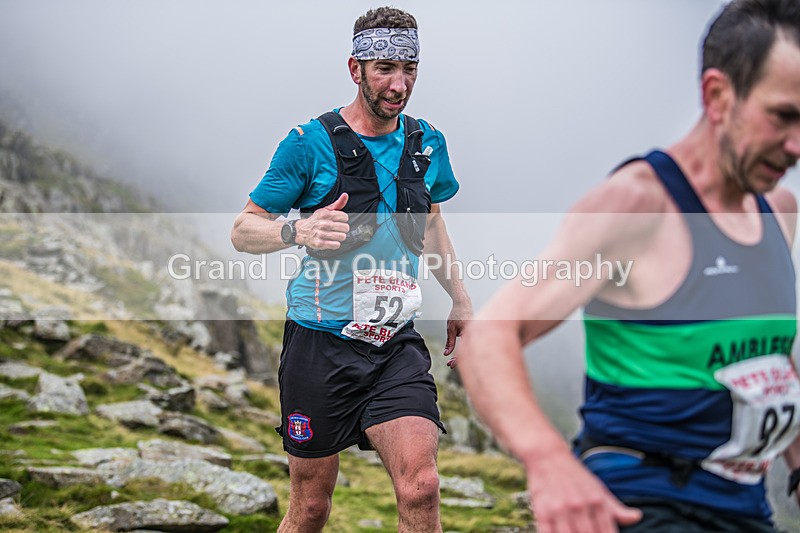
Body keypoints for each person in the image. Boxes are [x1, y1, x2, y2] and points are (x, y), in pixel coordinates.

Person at [457, 1, 800, 532]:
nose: (796, 145)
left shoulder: (778, 212)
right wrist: (547, 461)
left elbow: (768, 363)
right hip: (643, 503)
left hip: (746, 506)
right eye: (783, 116)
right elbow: (489, 337)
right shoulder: (636, 207)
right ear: (717, 95)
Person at [231, 7, 470, 532]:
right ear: (355, 67)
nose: (399, 83)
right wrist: (298, 231)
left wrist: (460, 298)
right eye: (385, 68)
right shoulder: (307, 142)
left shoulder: (427, 144)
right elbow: (243, 230)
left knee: (421, 486)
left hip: (393, 343)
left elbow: (430, 227)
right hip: (319, 345)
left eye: (410, 68)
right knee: (311, 506)